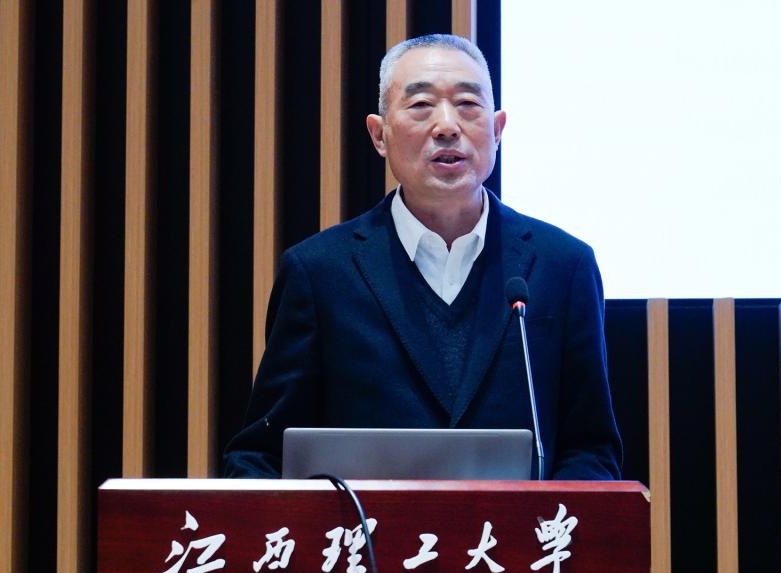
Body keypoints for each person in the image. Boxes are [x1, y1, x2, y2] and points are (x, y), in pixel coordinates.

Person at [223, 33, 621, 483]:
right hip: (363, 530)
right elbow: (260, 454)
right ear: (379, 135)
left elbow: (591, 449)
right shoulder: (319, 273)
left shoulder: (563, 267)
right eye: (421, 105)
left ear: (497, 130)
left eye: (468, 104)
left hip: (515, 532)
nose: (447, 126)